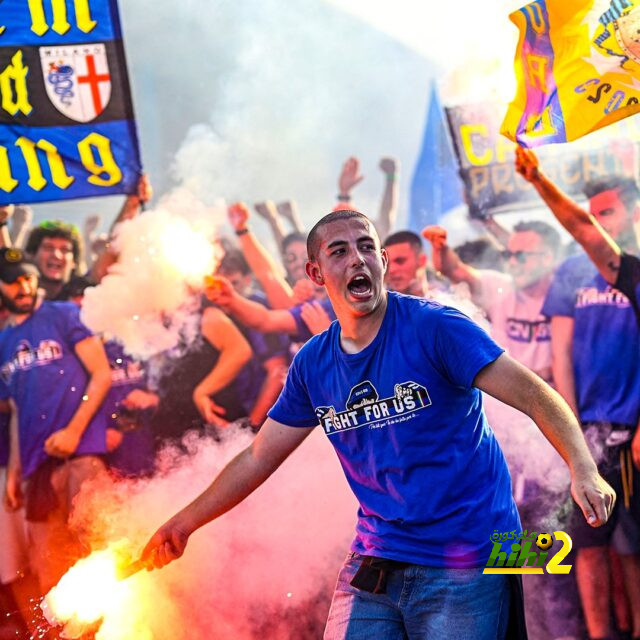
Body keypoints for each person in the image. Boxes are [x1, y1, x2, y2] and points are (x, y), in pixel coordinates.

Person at [142, 210, 614, 639]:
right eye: (339, 251)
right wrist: (185, 522)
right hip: (376, 558)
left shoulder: (437, 328)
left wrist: (583, 467)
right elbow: (259, 456)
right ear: (315, 273)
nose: (357, 259)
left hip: (466, 557)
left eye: (366, 247)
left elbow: (535, 394)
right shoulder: (313, 363)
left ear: (383, 261)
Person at [516, 146, 640, 640]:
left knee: (632, 546)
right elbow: (562, 353)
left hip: (631, 429)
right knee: (590, 541)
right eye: (595, 213)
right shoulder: (575, 271)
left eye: (609, 210)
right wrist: (571, 431)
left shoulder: (632, 267)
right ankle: (599, 635)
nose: (598, 221)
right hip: (590, 429)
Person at [0, 249, 112, 593]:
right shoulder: (3, 340)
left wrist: (74, 431)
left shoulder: (64, 314)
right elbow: (18, 409)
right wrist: (16, 471)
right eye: (12, 280)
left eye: (28, 278)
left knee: (100, 559)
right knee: (51, 577)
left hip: (81, 459)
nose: (23, 286)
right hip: (37, 470)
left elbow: (102, 374)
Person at [423, 220, 561, 383]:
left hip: (547, 402)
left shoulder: (568, 298)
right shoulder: (501, 287)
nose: (512, 263)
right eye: (507, 255)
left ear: (547, 258)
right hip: (502, 403)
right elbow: (454, 270)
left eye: (521, 256)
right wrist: (442, 248)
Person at [382, 230, 428, 296]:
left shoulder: (442, 301)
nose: (391, 270)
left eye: (400, 261)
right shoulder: (372, 302)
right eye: (387, 263)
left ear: (422, 261)